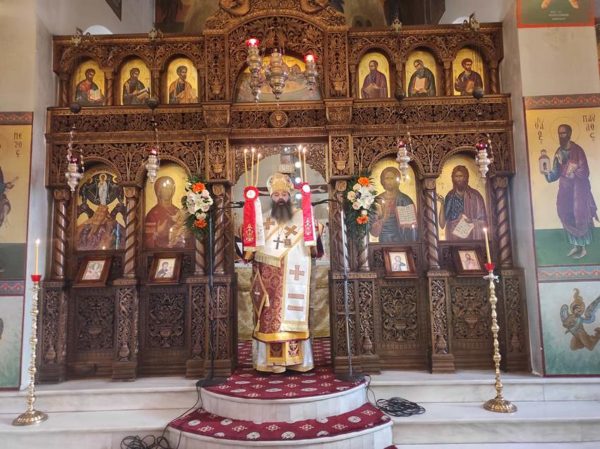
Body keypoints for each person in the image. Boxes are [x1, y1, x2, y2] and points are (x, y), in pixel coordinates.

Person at [245, 172, 319, 373]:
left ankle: (296, 361)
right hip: (270, 280)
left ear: (289, 196)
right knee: (270, 319)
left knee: (293, 318)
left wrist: (316, 229)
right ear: (271, 197)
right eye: (276, 194)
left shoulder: (301, 217)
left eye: (283, 194)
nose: (280, 198)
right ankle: (272, 363)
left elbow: (314, 248)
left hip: (294, 277)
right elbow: (252, 251)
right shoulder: (263, 220)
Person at [543, 124, 598, 259]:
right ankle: (575, 245)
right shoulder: (558, 151)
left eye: (564, 133)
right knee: (565, 213)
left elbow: (585, 171)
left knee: (579, 215)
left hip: (578, 190)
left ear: (569, 134)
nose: (561, 136)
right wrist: (547, 173)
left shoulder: (578, 150)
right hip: (565, 190)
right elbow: (556, 172)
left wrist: (572, 171)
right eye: (559, 133)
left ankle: (583, 248)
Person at [438, 165, 487, 241]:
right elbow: (442, 224)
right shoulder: (450, 196)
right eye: (456, 176)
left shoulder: (476, 196)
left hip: (472, 238)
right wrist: (442, 204)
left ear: (466, 177)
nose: (459, 179)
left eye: (461, 176)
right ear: (453, 178)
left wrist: (472, 221)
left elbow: (484, 221)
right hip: (453, 239)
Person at [370, 167, 417, 243]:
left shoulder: (405, 199)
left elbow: (412, 226)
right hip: (383, 239)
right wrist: (381, 220)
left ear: (397, 180)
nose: (389, 181)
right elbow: (372, 225)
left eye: (392, 178)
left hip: (401, 238)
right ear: (382, 181)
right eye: (387, 178)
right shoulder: (378, 200)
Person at [144, 176, 191, 249]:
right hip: (158, 252)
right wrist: (157, 232)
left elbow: (187, 235)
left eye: (170, 188)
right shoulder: (152, 214)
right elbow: (147, 242)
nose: (168, 191)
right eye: (165, 188)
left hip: (179, 250)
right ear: (158, 191)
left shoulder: (178, 211)